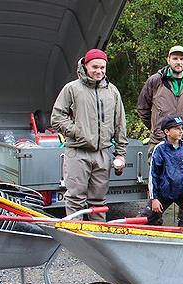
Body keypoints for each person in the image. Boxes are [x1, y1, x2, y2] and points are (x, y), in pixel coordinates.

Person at [51, 49, 127, 221]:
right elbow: (56, 117)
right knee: (75, 198)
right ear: (85, 66)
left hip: (102, 154)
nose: (99, 71)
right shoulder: (72, 88)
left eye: (102, 68)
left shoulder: (112, 91)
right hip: (78, 152)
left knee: (98, 202)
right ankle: (75, 240)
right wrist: (77, 132)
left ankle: (97, 239)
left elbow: (120, 124)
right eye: (95, 67)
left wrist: (120, 153)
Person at [137, 45, 183, 226]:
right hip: (160, 141)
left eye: (182, 59)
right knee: (157, 179)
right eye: (175, 58)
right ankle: (154, 222)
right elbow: (143, 108)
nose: (178, 62)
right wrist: (157, 128)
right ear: (168, 60)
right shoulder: (155, 81)